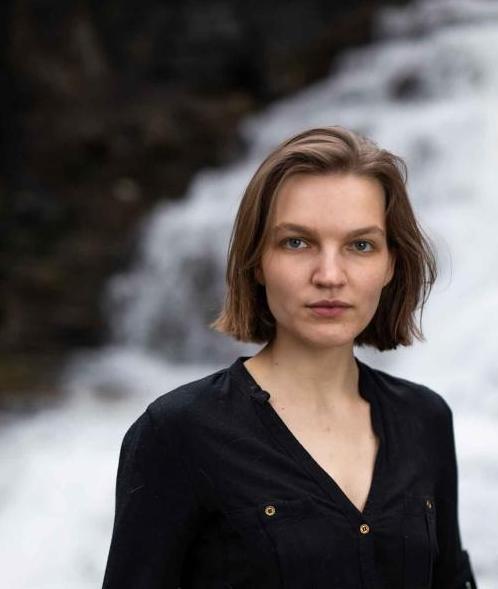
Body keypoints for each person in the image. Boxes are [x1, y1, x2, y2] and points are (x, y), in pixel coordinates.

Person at [101, 126, 477, 588]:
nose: (330, 275)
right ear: (257, 259)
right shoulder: (178, 433)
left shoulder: (426, 420)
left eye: (360, 246)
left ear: (391, 265)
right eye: (297, 242)